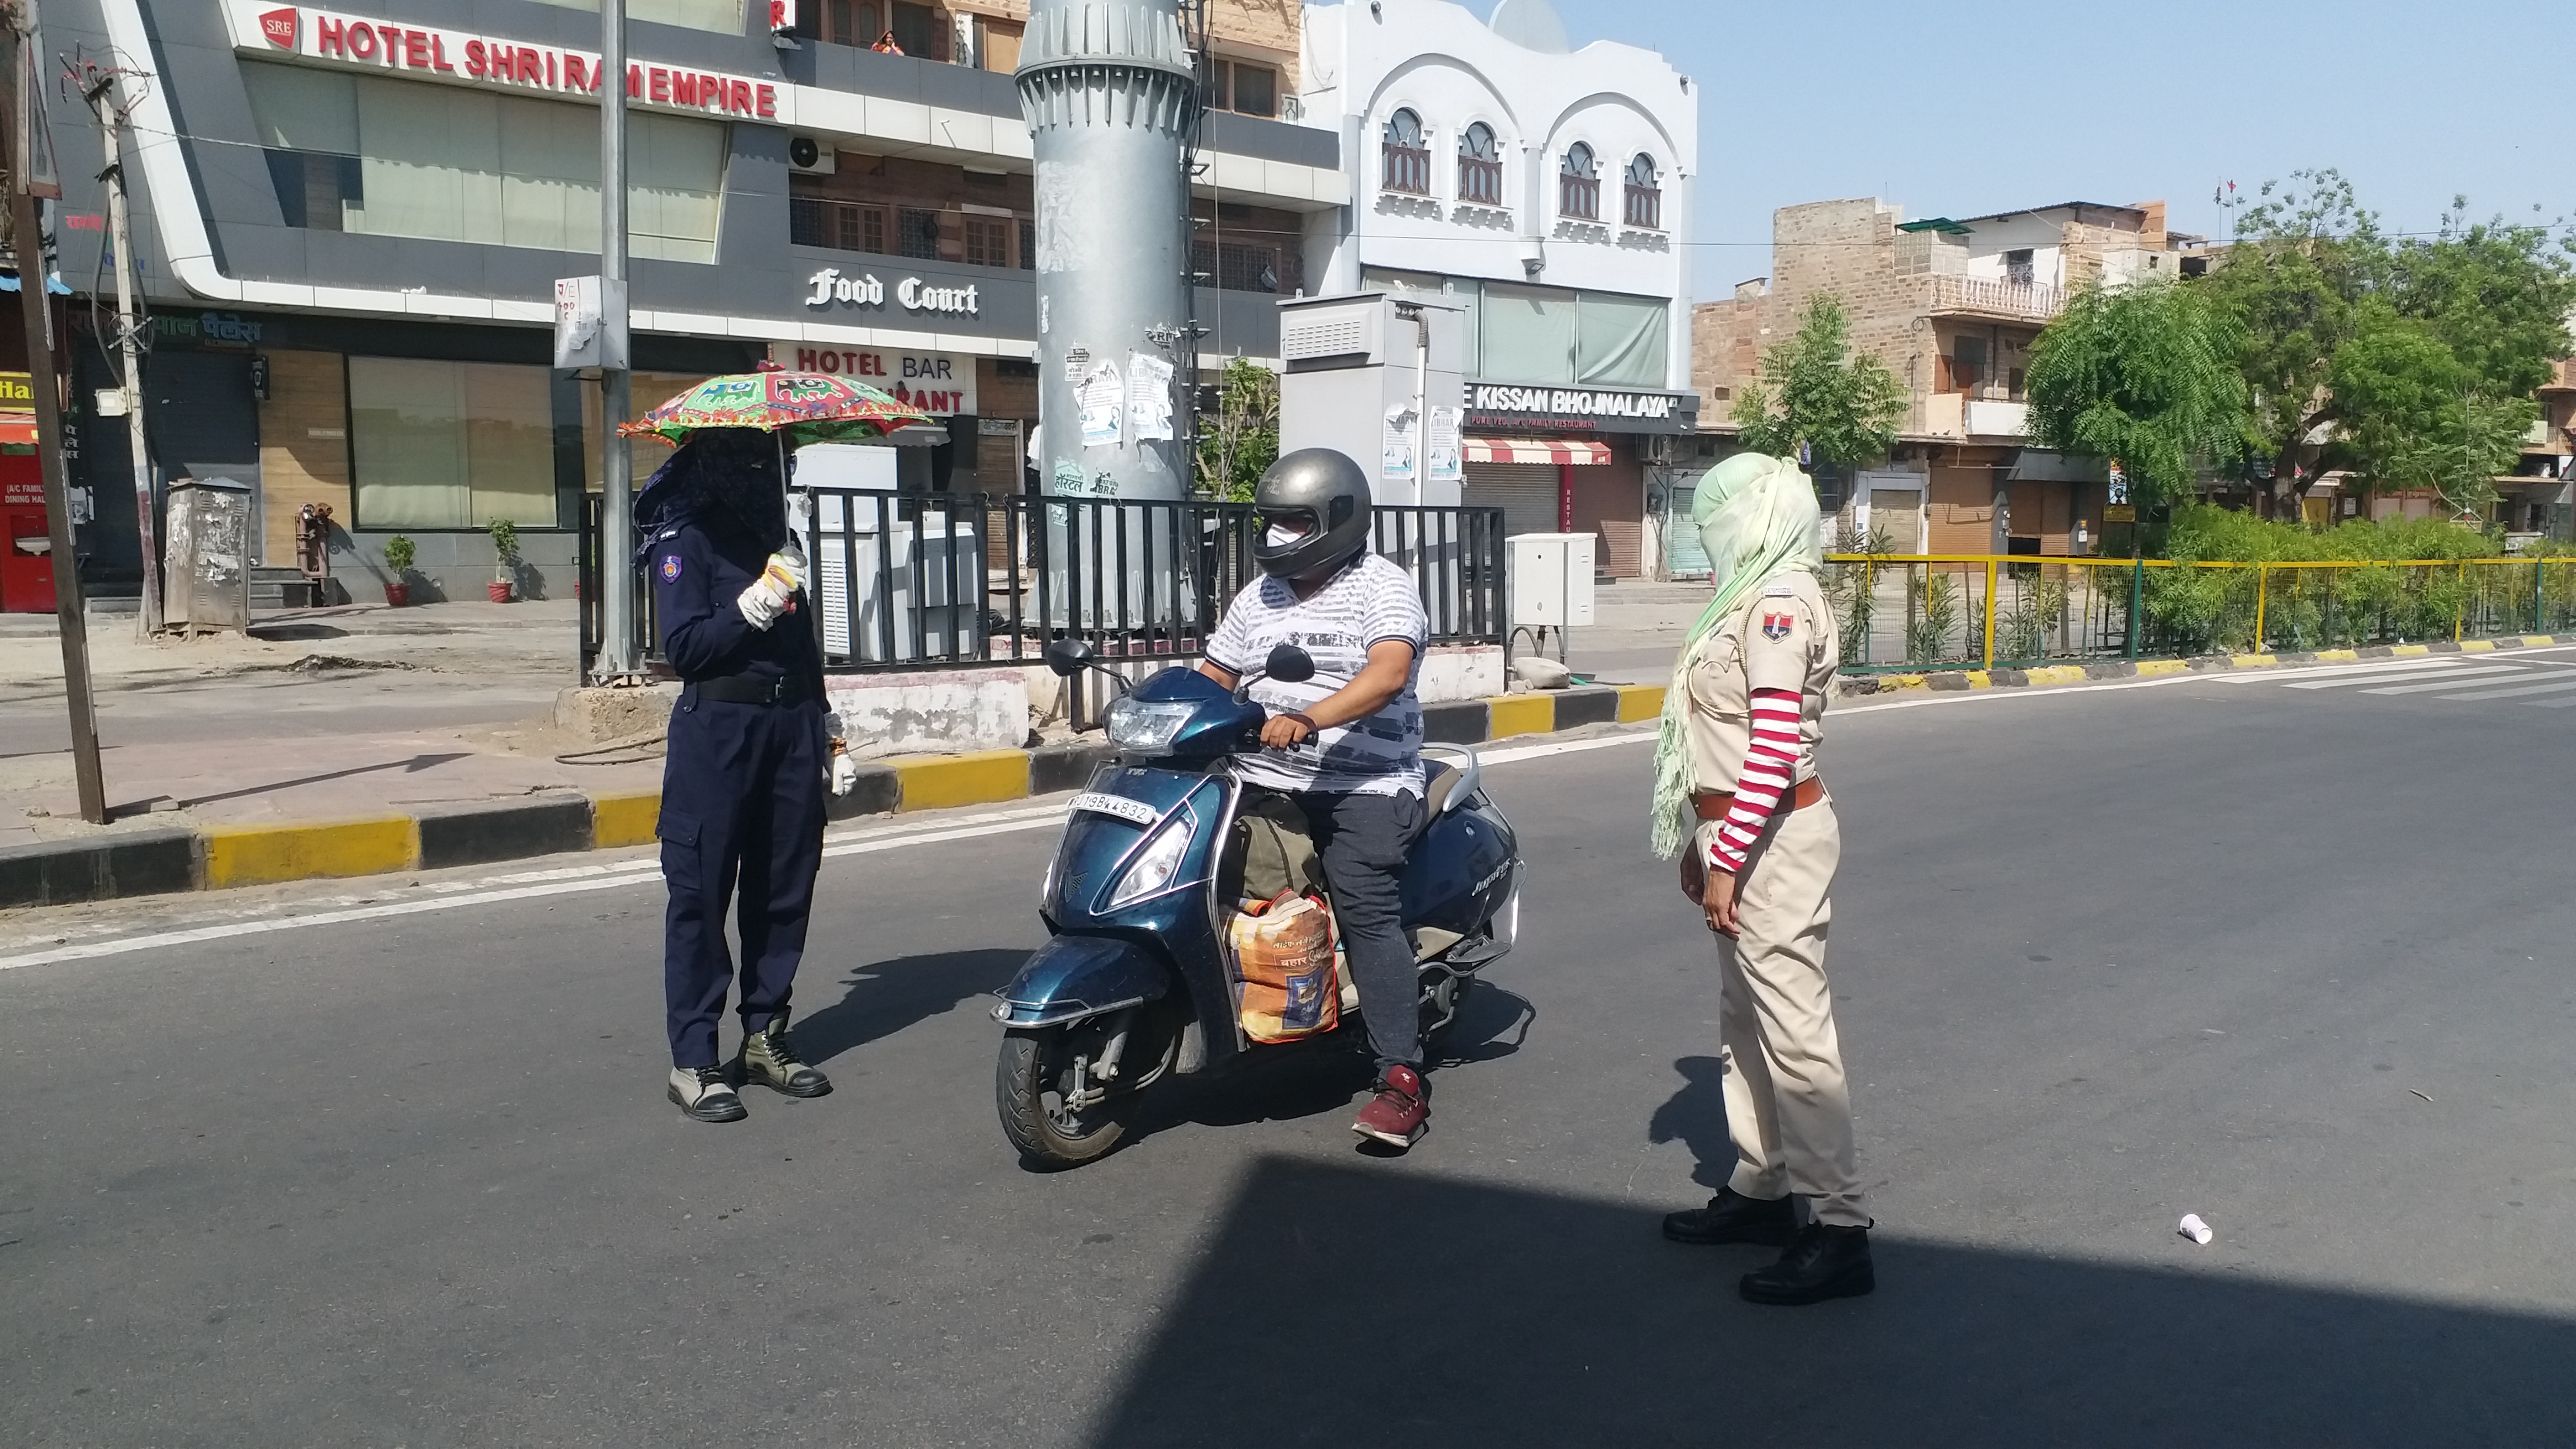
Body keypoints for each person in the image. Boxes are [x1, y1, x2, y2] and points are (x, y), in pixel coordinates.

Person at [1648, 451, 1875, 1305]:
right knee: (1745, 1021)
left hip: (1773, 838)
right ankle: (1762, 1185)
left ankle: (1842, 1228)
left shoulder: (1778, 602)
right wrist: (1699, 841)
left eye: (1718, 517)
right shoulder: (1748, 594)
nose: (1710, 534)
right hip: (1739, 832)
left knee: (1793, 1031)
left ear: (1760, 516)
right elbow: (1715, 745)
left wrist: (1731, 854)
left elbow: (1774, 751)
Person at [1197, 449, 1434, 1150]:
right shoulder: (1258, 596)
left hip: (1365, 781)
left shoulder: (1382, 588)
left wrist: (1309, 719)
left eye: (1294, 522)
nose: (1277, 535)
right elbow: (1215, 672)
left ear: (1336, 521)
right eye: (1271, 522)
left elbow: (1389, 674)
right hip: (1265, 774)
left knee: (1364, 904)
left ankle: (1401, 1077)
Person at [638, 427, 849, 1123]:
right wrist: (755, 602)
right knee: (700, 897)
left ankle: (764, 1037)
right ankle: (695, 1059)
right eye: (754, 460)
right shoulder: (686, 538)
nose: (769, 473)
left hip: (789, 730)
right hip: (719, 733)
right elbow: (687, 648)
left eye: (776, 461)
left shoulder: (777, 537)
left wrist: (831, 731)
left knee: (784, 887)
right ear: (717, 461)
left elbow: (803, 648)